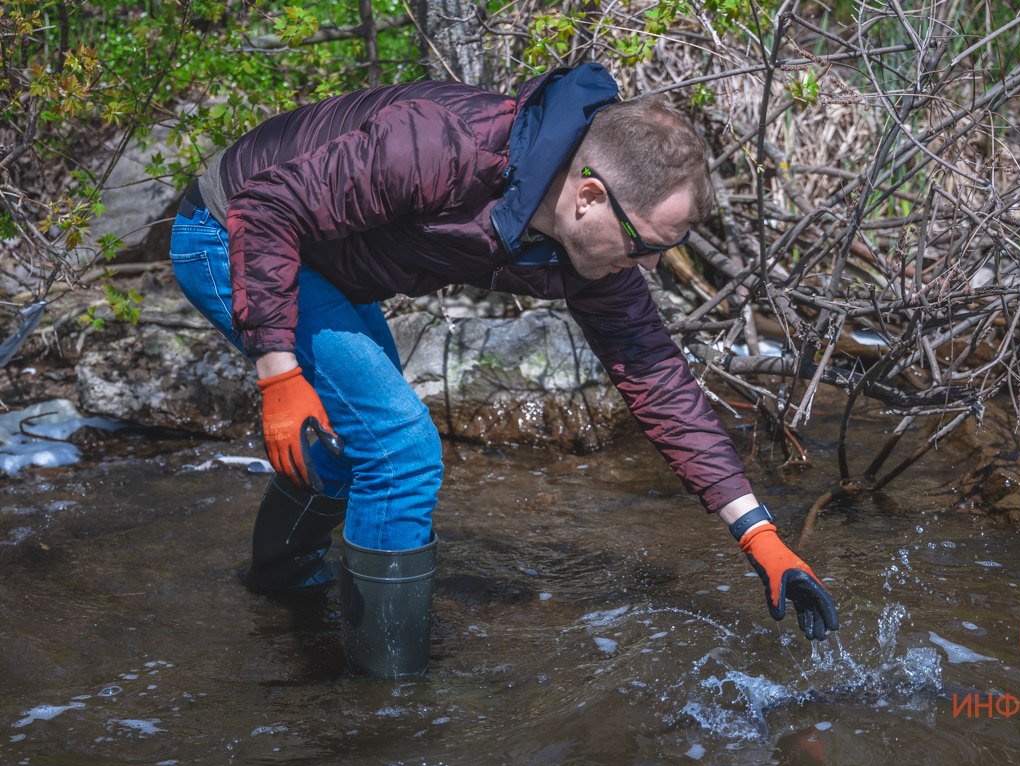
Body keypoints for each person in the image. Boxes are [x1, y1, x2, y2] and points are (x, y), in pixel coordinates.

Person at [168, 62, 839, 678]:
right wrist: (279, 374)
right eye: (649, 246)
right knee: (399, 449)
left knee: (350, 444)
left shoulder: (596, 251)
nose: (654, 269)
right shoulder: (442, 145)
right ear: (588, 198)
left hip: (321, 260)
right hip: (229, 229)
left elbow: (661, 381)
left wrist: (759, 537)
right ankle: (387, 700)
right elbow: (265, 207)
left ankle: (276, 596)